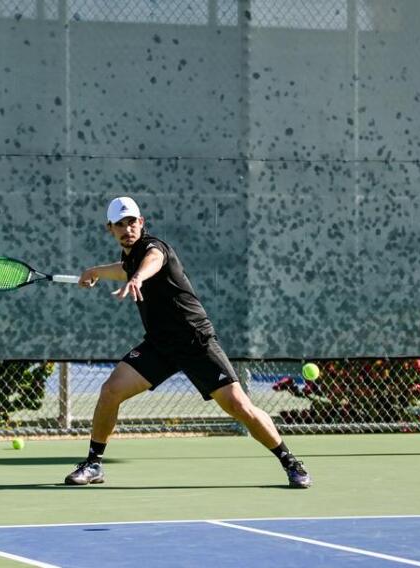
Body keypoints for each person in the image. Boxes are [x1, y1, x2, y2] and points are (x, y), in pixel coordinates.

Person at [64, 196, 312, 489]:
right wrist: (95, 272)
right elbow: (123, 268)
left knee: (239, 406)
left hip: (196, 340)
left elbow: (150, 262)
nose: (127, 228)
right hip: (160, 345)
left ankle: (290, 462)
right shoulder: (131, 259)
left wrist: (139, 279)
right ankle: (94, 464)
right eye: (120, 224)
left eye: (132, 221)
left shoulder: (154, 248)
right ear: (111, 229)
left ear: (141, 223)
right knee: (110, 391)